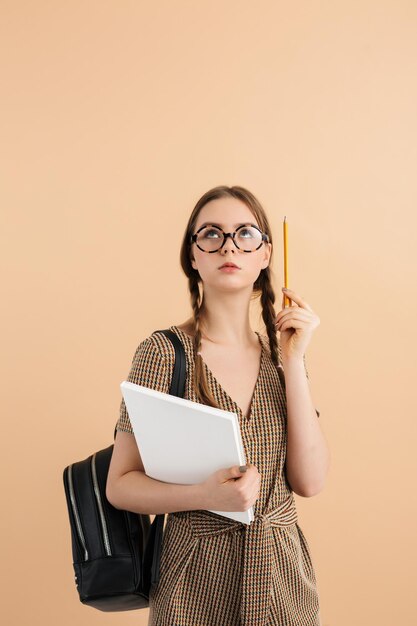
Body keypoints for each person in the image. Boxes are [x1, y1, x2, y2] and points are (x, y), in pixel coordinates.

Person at [106, 185, 330, 625]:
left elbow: (309, 481)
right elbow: (120, 485)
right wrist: (205, 495)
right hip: (193, 584)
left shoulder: (281, 358)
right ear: (193, 256)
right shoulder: (164, 353)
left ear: (265, 254)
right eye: (211, 234)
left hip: (282, 583)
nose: (229, 245)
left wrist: (295, 360)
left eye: (246, 233)